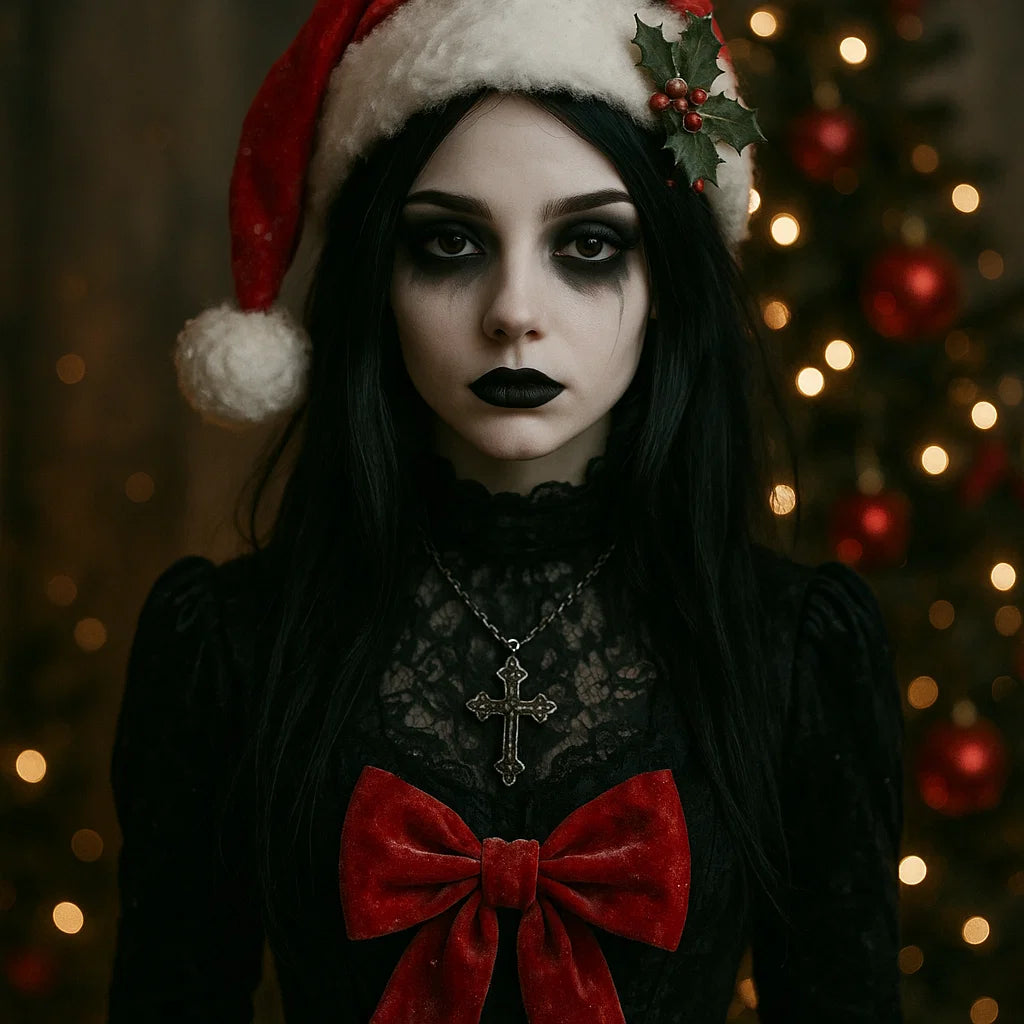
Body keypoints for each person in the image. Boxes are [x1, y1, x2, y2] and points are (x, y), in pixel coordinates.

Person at [107, 0, 905, 1021]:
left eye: (588, 245)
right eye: (449, 243)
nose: (514, 311)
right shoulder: (228, 646)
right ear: (377, 277)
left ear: (667, 276)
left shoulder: (792, 651)